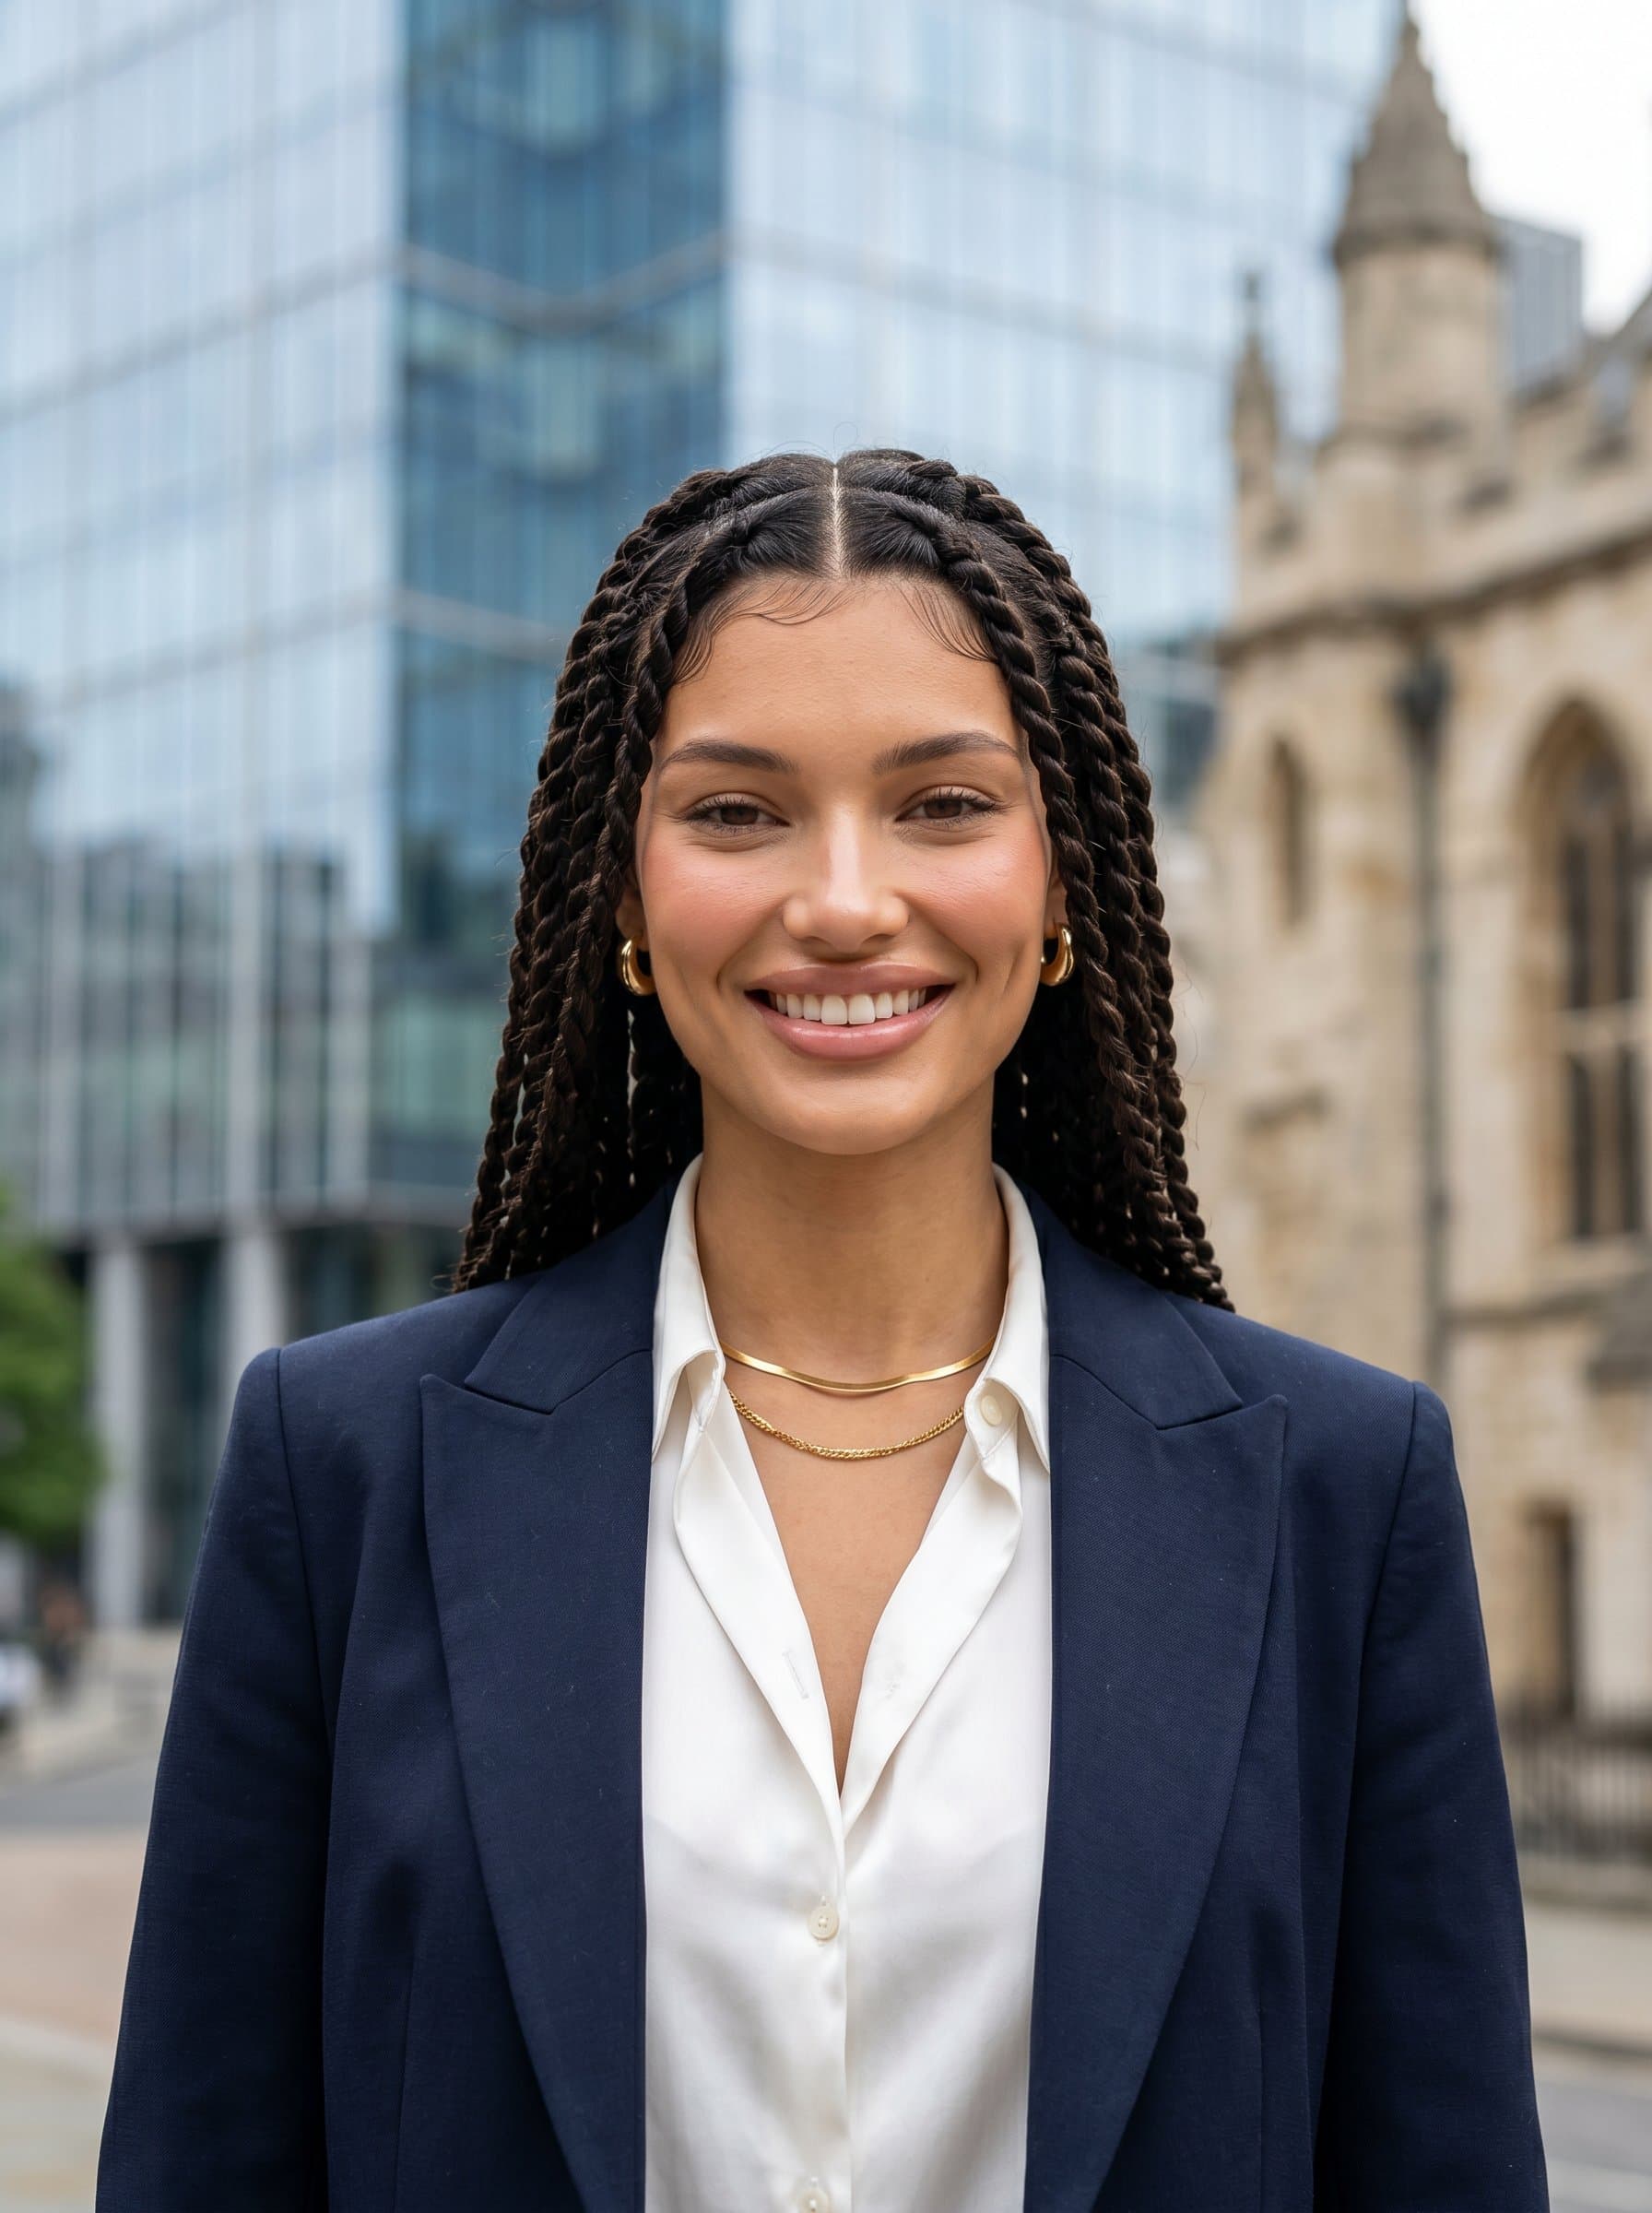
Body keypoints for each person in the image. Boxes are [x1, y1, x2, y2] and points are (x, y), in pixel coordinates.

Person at [98, 451, 1548, 2211]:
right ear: (622, 897)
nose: (847, 900)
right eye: (737, 812)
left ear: (1065, 883)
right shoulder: (338, 1470)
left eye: (944, 804)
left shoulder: (1346, 1492)